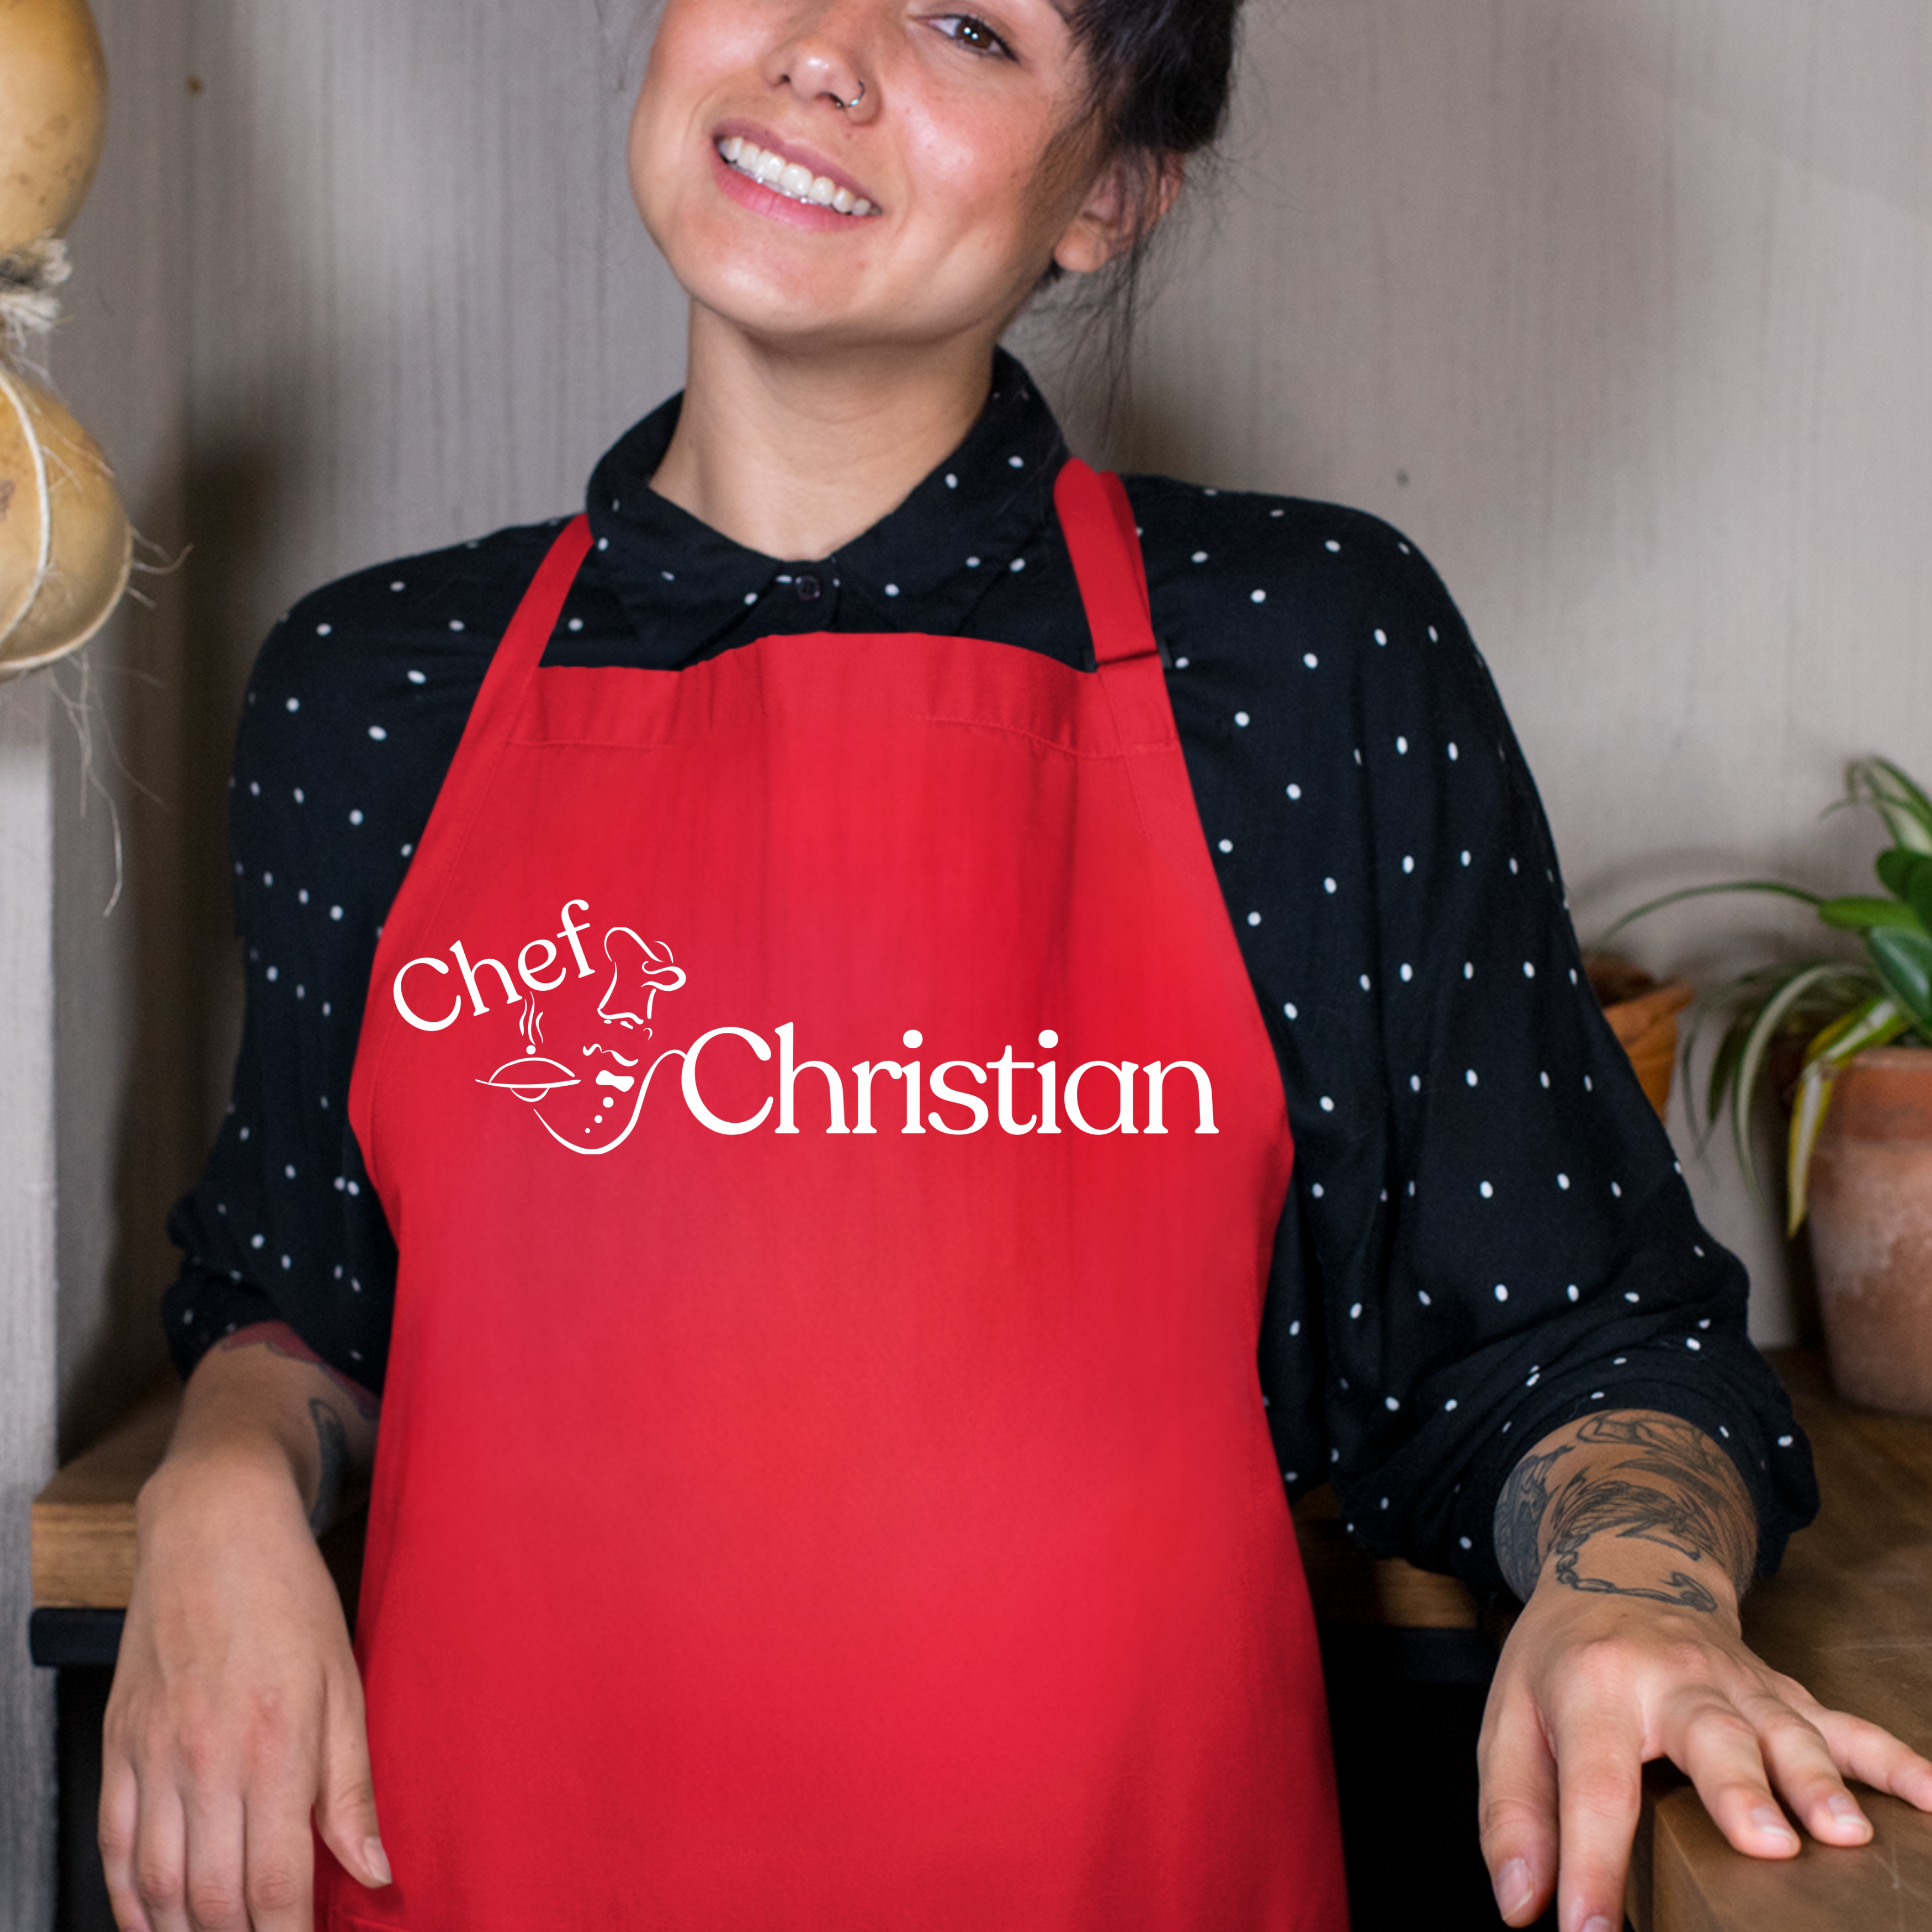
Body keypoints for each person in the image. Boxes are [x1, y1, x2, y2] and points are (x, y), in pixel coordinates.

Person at [101, 1, 1932, 1928]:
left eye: (971, 25)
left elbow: (1582, 1338)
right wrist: (220, 1468)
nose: (824, 53)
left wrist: (1623, 1601)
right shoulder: (374, 686)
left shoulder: (1300, 655)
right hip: (468, 1872)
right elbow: (307, 1294)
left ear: (1113, 192)